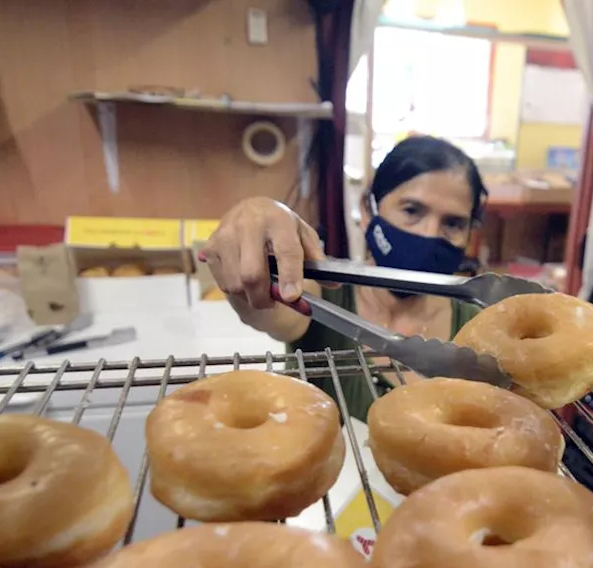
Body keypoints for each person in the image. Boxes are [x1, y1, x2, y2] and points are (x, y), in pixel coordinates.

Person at [202, 135, 487, 422]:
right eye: (411, 210)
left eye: (453, 223)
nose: (429, 234)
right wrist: (255, 220)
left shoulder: (480, 328)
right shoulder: (327, 295)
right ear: (367, 210)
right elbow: (267, 311)